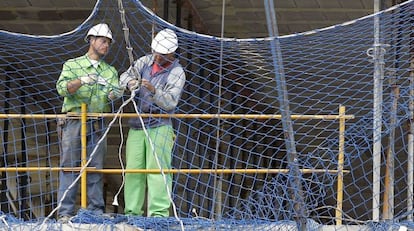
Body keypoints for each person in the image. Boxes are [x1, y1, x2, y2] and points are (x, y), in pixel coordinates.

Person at [56, 23, 122, 222]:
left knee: (95, 167)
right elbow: (62, 89)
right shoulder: (72, 65)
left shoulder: (110, 71)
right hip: (74, 120)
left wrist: (115, 93)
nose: (106, 45)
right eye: (103, 41)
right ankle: (65, 212)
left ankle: (95, 211)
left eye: (108, 43)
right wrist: (81, 81)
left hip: (97, 121)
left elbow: (113, 93)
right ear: (91, 40)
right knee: (70, 166)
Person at [120, 28, 186, 217]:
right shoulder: (144, 62)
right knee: (133, 170)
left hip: (160, 125)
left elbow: (171, 102)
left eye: (162, 54)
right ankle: (132, 212)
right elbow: (124, 77)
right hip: (137, 125)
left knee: (158, 170)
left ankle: (158, 214)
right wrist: (130, 83)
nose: (157, 56)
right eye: (155, 52)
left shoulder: (177, 72)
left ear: (171, 53)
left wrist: (154, 91)